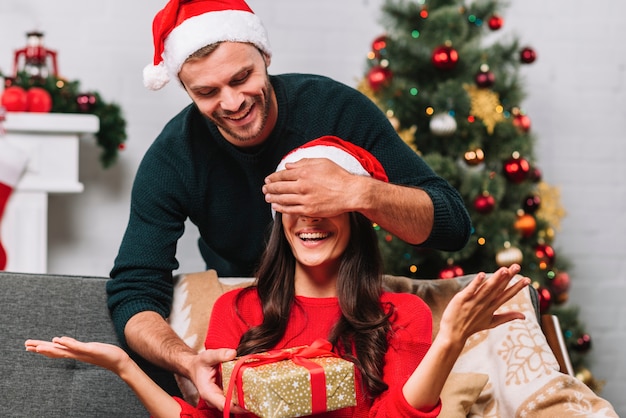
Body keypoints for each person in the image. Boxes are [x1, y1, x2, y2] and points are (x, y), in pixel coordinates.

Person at [106, 0, 472, 401]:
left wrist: (358, 190)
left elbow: (453, 226)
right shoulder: (173, 157)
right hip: (251, 319)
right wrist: (186, 360)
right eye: (207, 92)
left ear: (265, 55)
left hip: (349, 305)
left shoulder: (335, 110)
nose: (231, 103)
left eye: (242, 77)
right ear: (185, 89)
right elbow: (134, 290)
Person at [28, 139, 529, 417]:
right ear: (278, 217)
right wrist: (125, 366)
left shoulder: (401, 314)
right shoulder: (238, 311)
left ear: (356, 217)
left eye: (325, 205)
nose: (309, 219)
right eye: (294, 205)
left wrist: (448, 341)